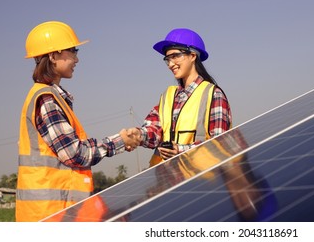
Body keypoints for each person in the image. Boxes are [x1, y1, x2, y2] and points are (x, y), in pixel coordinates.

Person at [16, 20, 142, 222]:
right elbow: (75, 154)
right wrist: (120, 141)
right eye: (72, 51)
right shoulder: (46, 100)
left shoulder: (50, 96)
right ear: (53, 55)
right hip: (51, 215)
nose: (76, 59)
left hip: (55, 212)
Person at [138, 28, 232, 167]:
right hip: (167, 180)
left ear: (193, 56)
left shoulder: (213, 94)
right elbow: (153, 132)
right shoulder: (167, 97)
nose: (170, 64)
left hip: (200, 181)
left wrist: (181, 150)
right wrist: (135, 135)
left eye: (175, 56)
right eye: (167, 59)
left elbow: (219, 144)